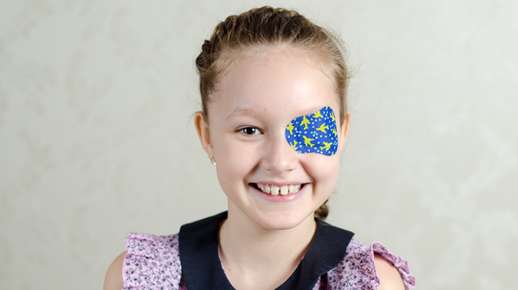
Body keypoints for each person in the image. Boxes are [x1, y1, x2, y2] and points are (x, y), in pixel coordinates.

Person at [103, 6, 416, 290]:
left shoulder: (371, 284)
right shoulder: (141, 278)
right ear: (207, 135)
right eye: (249, 130)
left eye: (309, 129)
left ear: (340, 133)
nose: (280, 161)